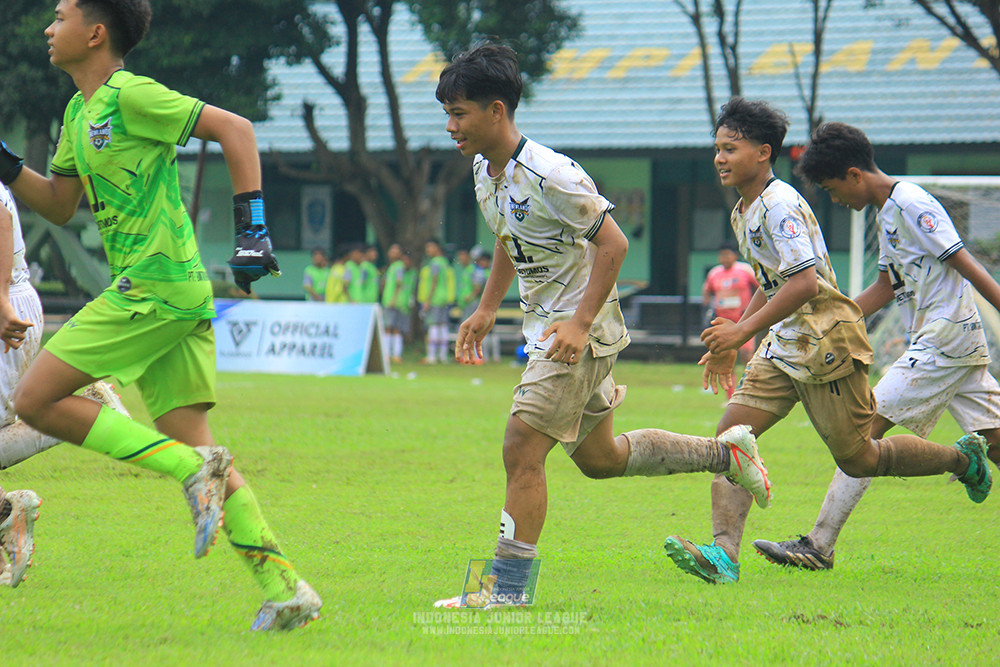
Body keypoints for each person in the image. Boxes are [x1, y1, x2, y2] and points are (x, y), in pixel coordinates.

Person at [0, 0, 320, 629]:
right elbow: (62, 205)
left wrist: (252, 231)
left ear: (94, 33)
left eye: (60, 15)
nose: (48, 27)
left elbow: (237, 130)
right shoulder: (77, 110)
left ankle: (188, 471)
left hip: (152, 288)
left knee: (35, 400)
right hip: (169, 295)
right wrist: (8, 163)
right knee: (198, 445)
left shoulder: (131, 95)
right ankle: (286, 588)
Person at [432, 43, 771, 609]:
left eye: (459, 114)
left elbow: (614, 243)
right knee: (599, 459)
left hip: (575, 337)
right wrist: (488, 307)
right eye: (447, 114)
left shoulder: (552, 174)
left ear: (497, 110)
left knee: (521, 448)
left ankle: (506, 592)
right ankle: (727, 454)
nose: (450, 126)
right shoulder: (484, 168)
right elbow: (507, 238)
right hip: (551, 330)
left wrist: (579, 323)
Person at [663, 98, 991, 585]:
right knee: (731, 438)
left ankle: (963, 460)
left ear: (762, 153)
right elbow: (774, 284)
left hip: (825, 351)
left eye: (730, 148)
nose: (719, 158)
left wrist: (743, 330)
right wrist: (736, 340)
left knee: (859, 456)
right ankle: (724, 554)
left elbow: (804, 284)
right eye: (717, 148)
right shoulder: (743, 211)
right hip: (785, 348)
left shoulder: (781, 206)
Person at [752, 122, 1000, 570]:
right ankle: (973, 462)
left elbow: (965, 263)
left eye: (832, 190)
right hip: (946, 343)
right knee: (996, 441)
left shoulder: (911, 203)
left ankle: (818, 545)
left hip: (945, 339)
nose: (836, 200)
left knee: (862, 434)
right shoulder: (886, 212)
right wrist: (831, 321)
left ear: (854, 174)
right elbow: (887, 285)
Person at [0, 184, 131, 588]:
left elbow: (1, 221)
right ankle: (6, 519)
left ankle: (85, 410)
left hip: (8, 308)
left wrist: (1, 303)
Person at [702, 240, 758, 398]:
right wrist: (708, 307)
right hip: (722, 322)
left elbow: (760, 287)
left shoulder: (745, 270)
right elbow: (707, 291)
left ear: (735, 255)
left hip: (743, 320)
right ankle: (731, 396)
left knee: (747, 356)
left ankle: (750, 392)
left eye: (727, 254)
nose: (724, 258)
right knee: (726, 357)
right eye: (721, 255)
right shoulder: (714, 273)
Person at [419, 239, 455, 364]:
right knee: (443, 326)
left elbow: (434, 281)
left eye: (430, 247)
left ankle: (432, 356)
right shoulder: (445, 262)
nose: (427, 250)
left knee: (433, 325)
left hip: (435, 299)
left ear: (437, 248)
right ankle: (443, 356)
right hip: (444, 298)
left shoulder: (434, 263)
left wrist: (427, 300)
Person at [381, 243, 410, 363]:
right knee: (389, 327)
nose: (392, 252)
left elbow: (399, 283)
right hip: (388, 300)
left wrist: (393, 299)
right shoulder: (392, 266)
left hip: (394, 302)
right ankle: (389, 354)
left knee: (393, 328)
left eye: (395, 250)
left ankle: (394, 354)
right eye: (391, 250)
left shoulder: (398, 266)